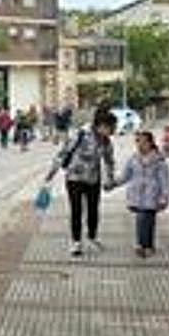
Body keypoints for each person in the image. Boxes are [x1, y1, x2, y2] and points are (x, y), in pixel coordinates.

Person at [45, 108, 117, 257]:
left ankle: (92, 236)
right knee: (76, 210)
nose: (113, 131)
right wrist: (51, 173)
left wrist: (110, 179)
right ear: (101, 125)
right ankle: (76, 242)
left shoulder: (106, 140)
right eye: (111, 127)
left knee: (93, 209)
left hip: (93, 179)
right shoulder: (81, 134)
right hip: (74, 178)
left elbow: (109, 161)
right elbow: (63, 152)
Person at [108, 130, 169, 258]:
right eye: (137, 142)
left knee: (146, 219)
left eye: (143, 142)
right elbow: (125, 176)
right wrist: (113, 184)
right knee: (144, 219)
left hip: (152, 196)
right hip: (137, 195)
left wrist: (165, 197)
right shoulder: (133, 158)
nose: (140, 145)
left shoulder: (159, 160)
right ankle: (145, 245)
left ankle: (144, 245)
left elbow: (165, 180)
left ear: (150, 143)